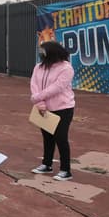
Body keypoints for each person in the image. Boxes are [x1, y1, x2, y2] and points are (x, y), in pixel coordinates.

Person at [30, 41, 75, 180]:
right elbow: (34, 84)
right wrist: (40, 102)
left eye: (43, 51)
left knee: (61, 138)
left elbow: (57, 87)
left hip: (62, 108)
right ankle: (46, 164)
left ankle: (65, 170)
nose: (40, 53)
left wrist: (37, 97)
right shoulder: (39, 67)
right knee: (47, 137)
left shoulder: (66, 68)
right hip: (43, 108)